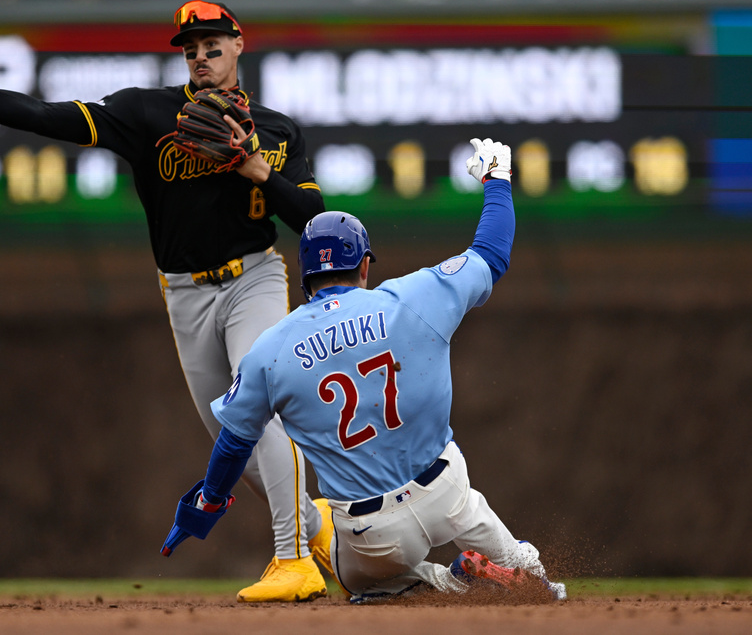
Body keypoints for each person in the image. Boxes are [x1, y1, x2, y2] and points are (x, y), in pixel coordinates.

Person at [0, 0, 330, 602]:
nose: (201, 56)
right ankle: (320, 532)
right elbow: (48, 117)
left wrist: (259, 171)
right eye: (190, 48)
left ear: (239, 44)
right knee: (230, 436)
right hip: (183, 292)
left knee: (255, 407)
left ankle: (292, 558)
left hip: (254, 278)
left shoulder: (277, 129)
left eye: (212, 44)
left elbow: (314, 218)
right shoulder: (147, 112)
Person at [159, 138, 568, 604]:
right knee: (532, 581)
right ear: (365, 265)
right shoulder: (413, 298)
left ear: (305, 274)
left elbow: (234, 443)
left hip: (372, 531)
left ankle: (448, 581)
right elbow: (492, 253)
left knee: (362, 583)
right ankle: (524, 566)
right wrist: (497, 179)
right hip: (448, 492)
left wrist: (209, 501)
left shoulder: (271, 349)